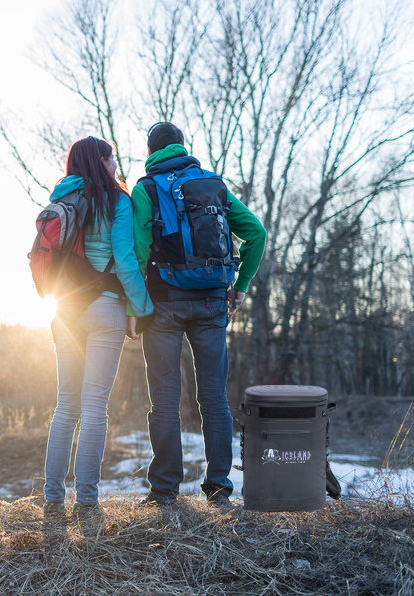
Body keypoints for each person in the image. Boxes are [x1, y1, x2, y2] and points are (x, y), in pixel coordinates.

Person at [130, 122, 267, 507]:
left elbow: (140, 252)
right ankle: (219, 487)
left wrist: (135, 306)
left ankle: (164, 492)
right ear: (182, 147)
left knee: (165, 399)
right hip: (211, 302)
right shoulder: (213, 185)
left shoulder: (146, 189)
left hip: (163, 305)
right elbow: (256, 233)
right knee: (214, 397)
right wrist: (238, 288)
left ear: (151, 150)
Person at [44, 136, 153, 532]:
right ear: (104, 161)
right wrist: (142, 308)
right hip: (104, 308)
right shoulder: (116, 200)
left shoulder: (61, 198)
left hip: (64, 311)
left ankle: (52, 499)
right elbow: (125, 260)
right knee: (94, 408)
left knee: (65, 407)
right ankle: (87, 502)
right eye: (112, 159)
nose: (114, 165)